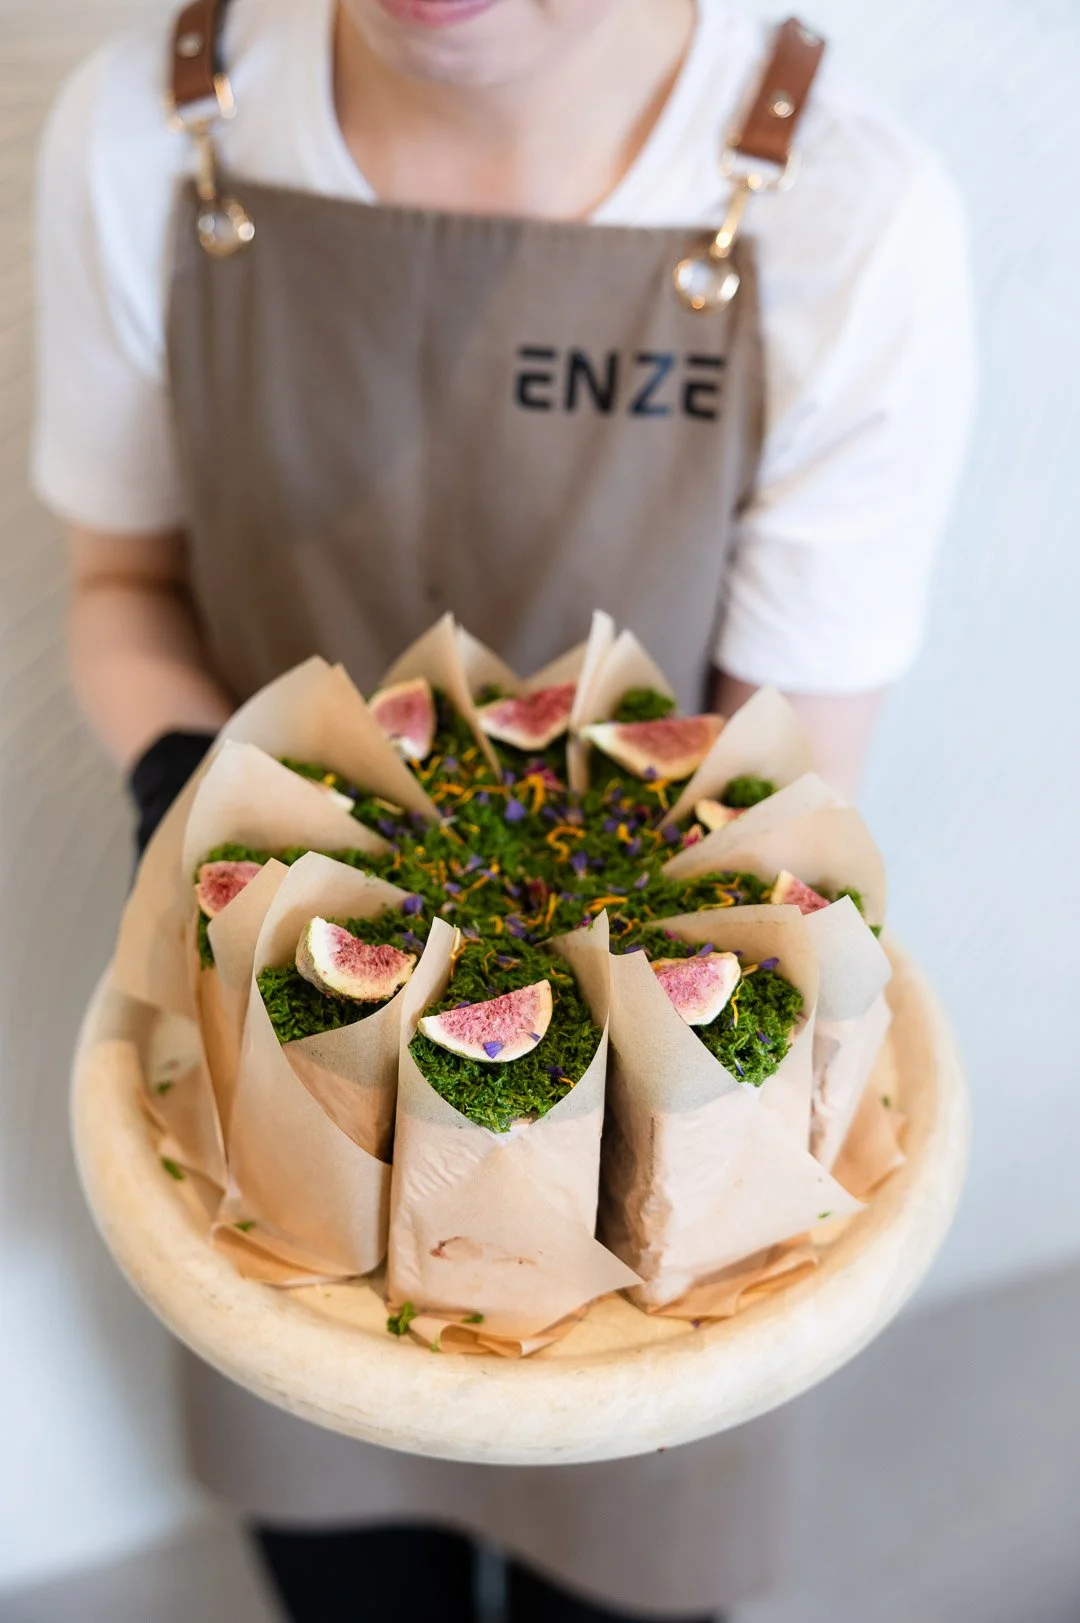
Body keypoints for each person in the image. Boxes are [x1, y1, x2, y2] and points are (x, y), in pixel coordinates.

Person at [32, 0, 975, 1618]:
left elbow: (781, 782)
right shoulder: (156, 130)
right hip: (295, 1111)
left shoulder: (839, 212)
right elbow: (122, 585)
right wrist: (193, 805)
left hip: (667, 1168)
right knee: (342, 1572)